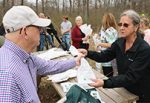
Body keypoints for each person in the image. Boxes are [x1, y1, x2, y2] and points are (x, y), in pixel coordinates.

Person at [0, 6, 82, 102]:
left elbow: (49, 66)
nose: (41, 30)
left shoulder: (27, 57)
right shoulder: (7, 75)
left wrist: (75, 61)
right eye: (38, 28)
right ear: (25, 31)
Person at [78, 10, 150, 102]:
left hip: (142, 91)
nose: (121, 28)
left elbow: (131, 76)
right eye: (120, 24)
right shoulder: (119, 42)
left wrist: (105, 82)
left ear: (135, 27)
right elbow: (104, 56)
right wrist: (87, 53)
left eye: (126, 25)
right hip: (125, 88)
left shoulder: (144, 49)